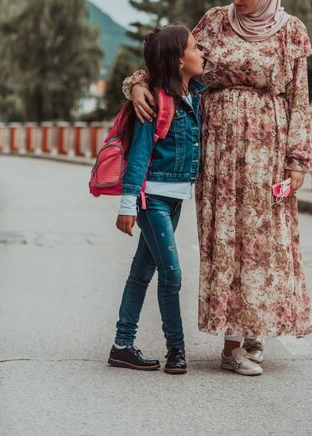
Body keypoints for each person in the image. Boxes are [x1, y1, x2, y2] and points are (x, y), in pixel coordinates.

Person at [123, 0, 312, 377]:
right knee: (227, 241)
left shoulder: (290, 31)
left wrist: (298, 159)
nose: (235, 0)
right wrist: (136, 84)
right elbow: (169, 60)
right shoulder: (213, 22)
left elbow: (299, 100)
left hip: (267, 153)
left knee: (264, 244)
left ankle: (255, 333)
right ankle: (231, 345)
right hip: (218, 157)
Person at [108, 24, 205, 375]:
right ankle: (176, 350)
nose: (202, 53)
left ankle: (122, 345)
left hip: (176, 199)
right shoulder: (153, 100)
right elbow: (139, 154)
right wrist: (127, 203)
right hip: (153, 199)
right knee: (172, 274)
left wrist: (134, 82)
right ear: (180, 61)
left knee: (142, 270)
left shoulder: (197, 93)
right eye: (195, 48)